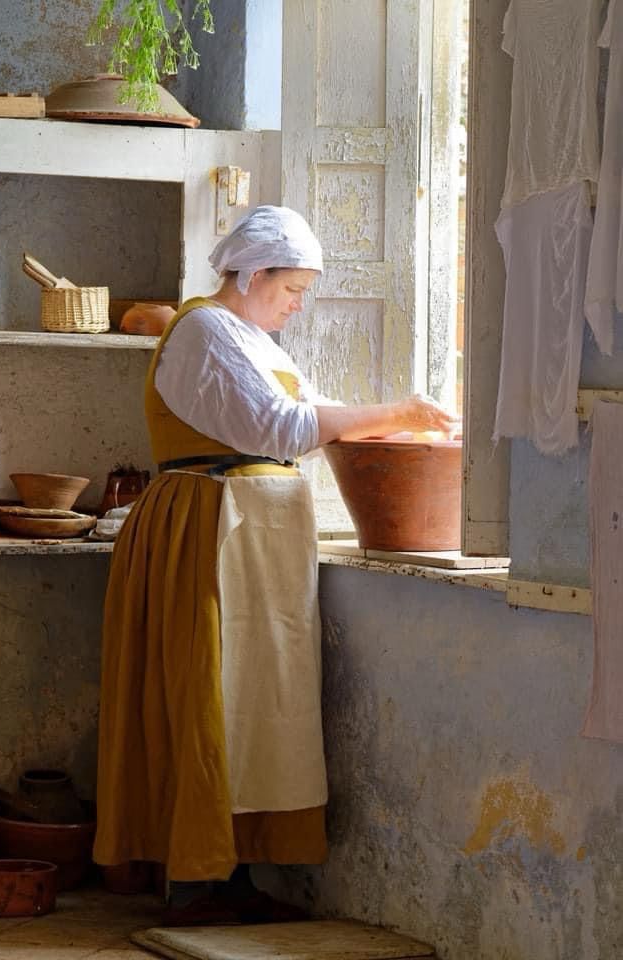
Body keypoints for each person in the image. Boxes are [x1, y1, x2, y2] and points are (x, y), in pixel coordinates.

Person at [93, 205, 458, 925]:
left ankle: (233, 872)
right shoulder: (201, 331)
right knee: (207, 695)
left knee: (257, 706)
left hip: (254, 545)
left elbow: (313, 413)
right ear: (254, 275)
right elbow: (285, 430)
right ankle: (193, 880)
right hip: (209, 533)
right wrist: (396, 409)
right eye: (291, 289)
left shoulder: (258, 343)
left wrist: (406, 421)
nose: (297, 305)